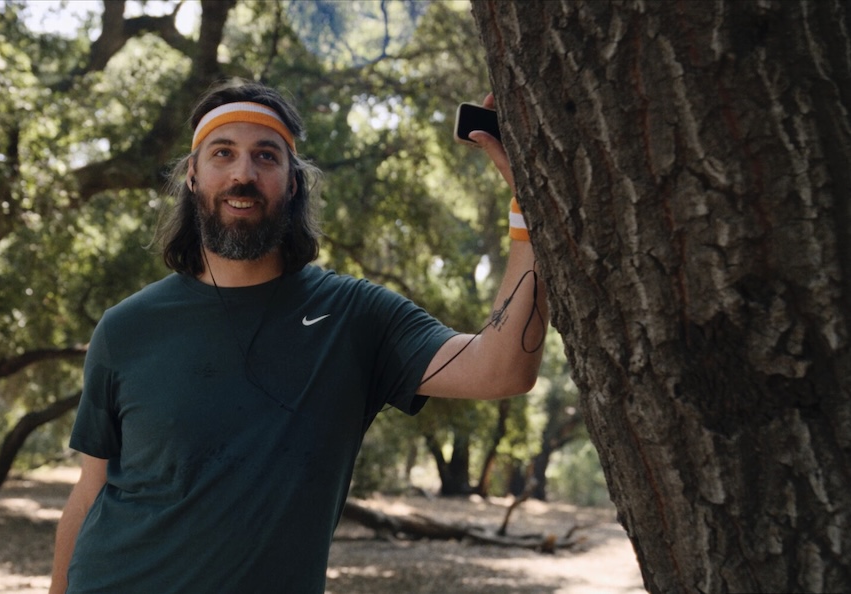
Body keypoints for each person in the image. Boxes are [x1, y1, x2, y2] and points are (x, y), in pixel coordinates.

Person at [49, 80, 547, 594]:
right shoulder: (126, 328)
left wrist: (529, 215)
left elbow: (502, 368)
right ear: (193, 176)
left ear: (291, 183)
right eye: (223, 153)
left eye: (266, 156)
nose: (244, 173)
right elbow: (91, 492)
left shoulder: (356, 317)